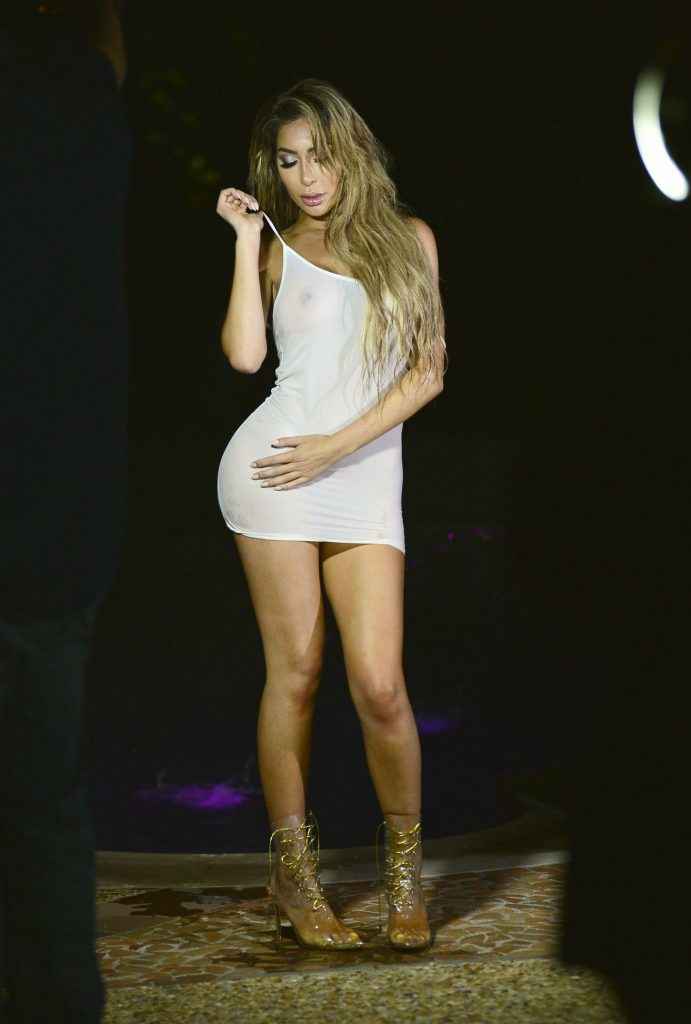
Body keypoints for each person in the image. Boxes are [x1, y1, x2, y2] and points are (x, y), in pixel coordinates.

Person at [215, 78, 447, 950]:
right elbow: (246, 358)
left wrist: (337, 447)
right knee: (298, 671)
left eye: (320, 156)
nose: (307, 177)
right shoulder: (278, 245)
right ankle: (295, 878)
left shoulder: (410, 240)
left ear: (352, 151)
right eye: (288, 161)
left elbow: (427, 373)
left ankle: (404, 882)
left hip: (358, 473)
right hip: (273, 470)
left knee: (380, 685)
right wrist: (246, 242)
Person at [0, 2, 129, 1021]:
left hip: (47, 518)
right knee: (44, 797)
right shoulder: (89, 110)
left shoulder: (77, 103)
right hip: (58, 516)